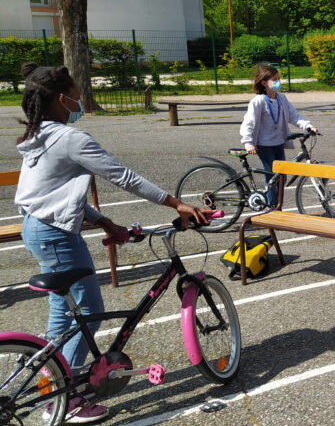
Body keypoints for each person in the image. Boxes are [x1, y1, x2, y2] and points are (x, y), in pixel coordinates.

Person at [15, 63, 207, 423]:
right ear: (62, 98)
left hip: (39, 228)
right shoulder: (70, 138)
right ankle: (66, 399)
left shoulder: (39, 134)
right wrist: (177, 203)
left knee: (64, 312)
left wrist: (102, 220)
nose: (79, 100)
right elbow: (124, 177)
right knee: (88, 309)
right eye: (76, 94)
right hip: (55, 235)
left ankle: (51, 379)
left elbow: (49, 193)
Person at [240, 63, 318, 207]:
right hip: (264, 145)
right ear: (264, 83)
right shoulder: (258, 101)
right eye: (274, 79)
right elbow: (248, 123)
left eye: (278, 78)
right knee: (271, 177)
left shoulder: (281, 99)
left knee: (281, 176)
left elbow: (294, 116)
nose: (278, 82)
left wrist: (308, 126)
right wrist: (248, 142)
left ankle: (277, 205)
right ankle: (272, 207)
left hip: (278, 143)